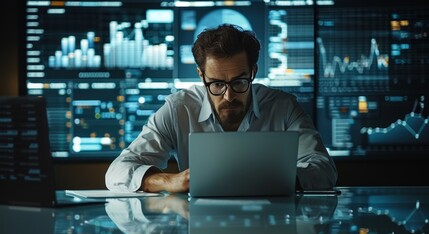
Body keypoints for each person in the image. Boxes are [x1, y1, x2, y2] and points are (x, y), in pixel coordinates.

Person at [105, 23, 337, 193]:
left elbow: (324, 169)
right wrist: (171, 181)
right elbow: (117, 172)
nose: (228, 95)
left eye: (239, 82)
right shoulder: (179, 108)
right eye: (216, 84)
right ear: (201, 75)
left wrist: (277, 179)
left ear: (253, 73)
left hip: (269, 223)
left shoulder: (283, 106)